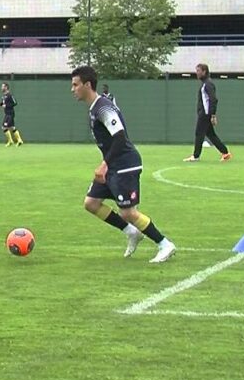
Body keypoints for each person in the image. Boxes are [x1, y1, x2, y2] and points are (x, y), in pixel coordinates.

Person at [70, 65, 176, 263]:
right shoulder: (95, 108)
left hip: (125, 165)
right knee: (91, 203)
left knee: (128, 212)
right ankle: (132, 232)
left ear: (87, 85)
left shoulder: (102, 107)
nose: (72, 89)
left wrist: (104, 164)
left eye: (75, 85)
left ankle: (164, 244)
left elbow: (119, 137)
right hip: (113, 166)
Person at [184, 63, 232, 162]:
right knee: (211, 135)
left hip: (205, 114)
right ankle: (225, 153)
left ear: (204, 71)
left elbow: (213, 99)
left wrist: (213, 115)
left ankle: (195, 156)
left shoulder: (208, 84)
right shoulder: (204, 84)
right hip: (205, 113)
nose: (197, 73)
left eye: (198, 71)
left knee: (199, 133)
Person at [0, 82, 24, 147]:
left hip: (10, 114)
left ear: (6, 87)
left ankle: (10, 141)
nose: (1, 88)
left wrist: (6, 106)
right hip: (6, 113)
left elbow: (15, 103)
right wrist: (0, 104)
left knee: (4, 127)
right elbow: (4, 104)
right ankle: (20, 140)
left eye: (3, 86)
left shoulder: (9, 95)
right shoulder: (3, 96)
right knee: (12, 128)